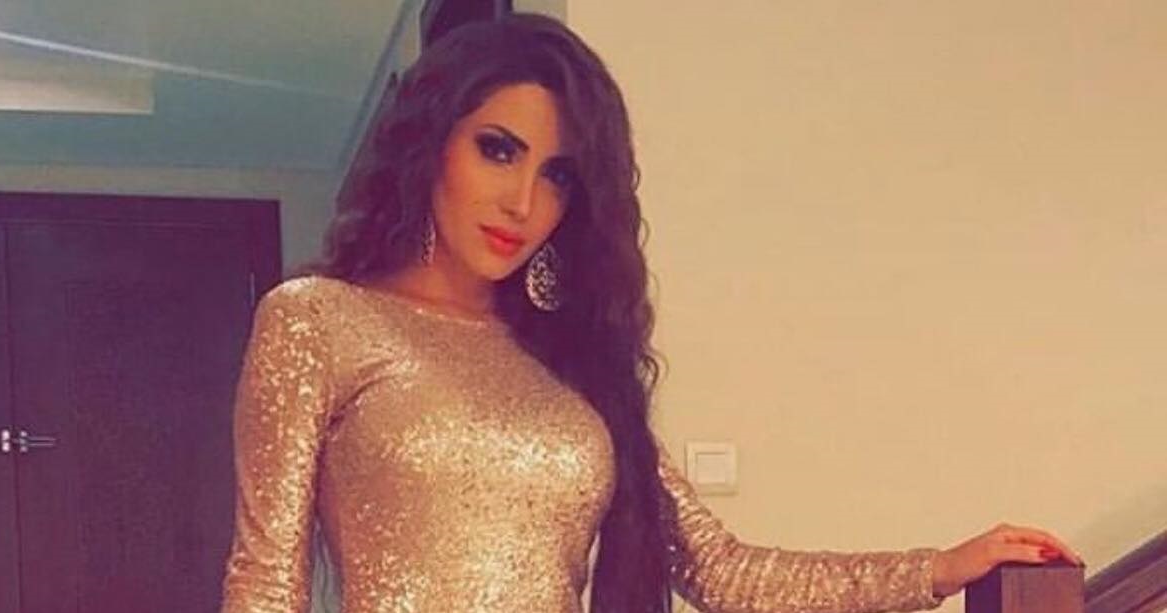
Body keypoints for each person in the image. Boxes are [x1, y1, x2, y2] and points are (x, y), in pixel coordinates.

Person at [219, 12, 1082, 613]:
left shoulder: (574, 359)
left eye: (558, 174)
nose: (522, 201)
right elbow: (265, 584)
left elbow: (723, 571)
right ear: (429, 144)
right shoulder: (318, 321)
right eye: (498, 150)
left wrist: (940, 567)